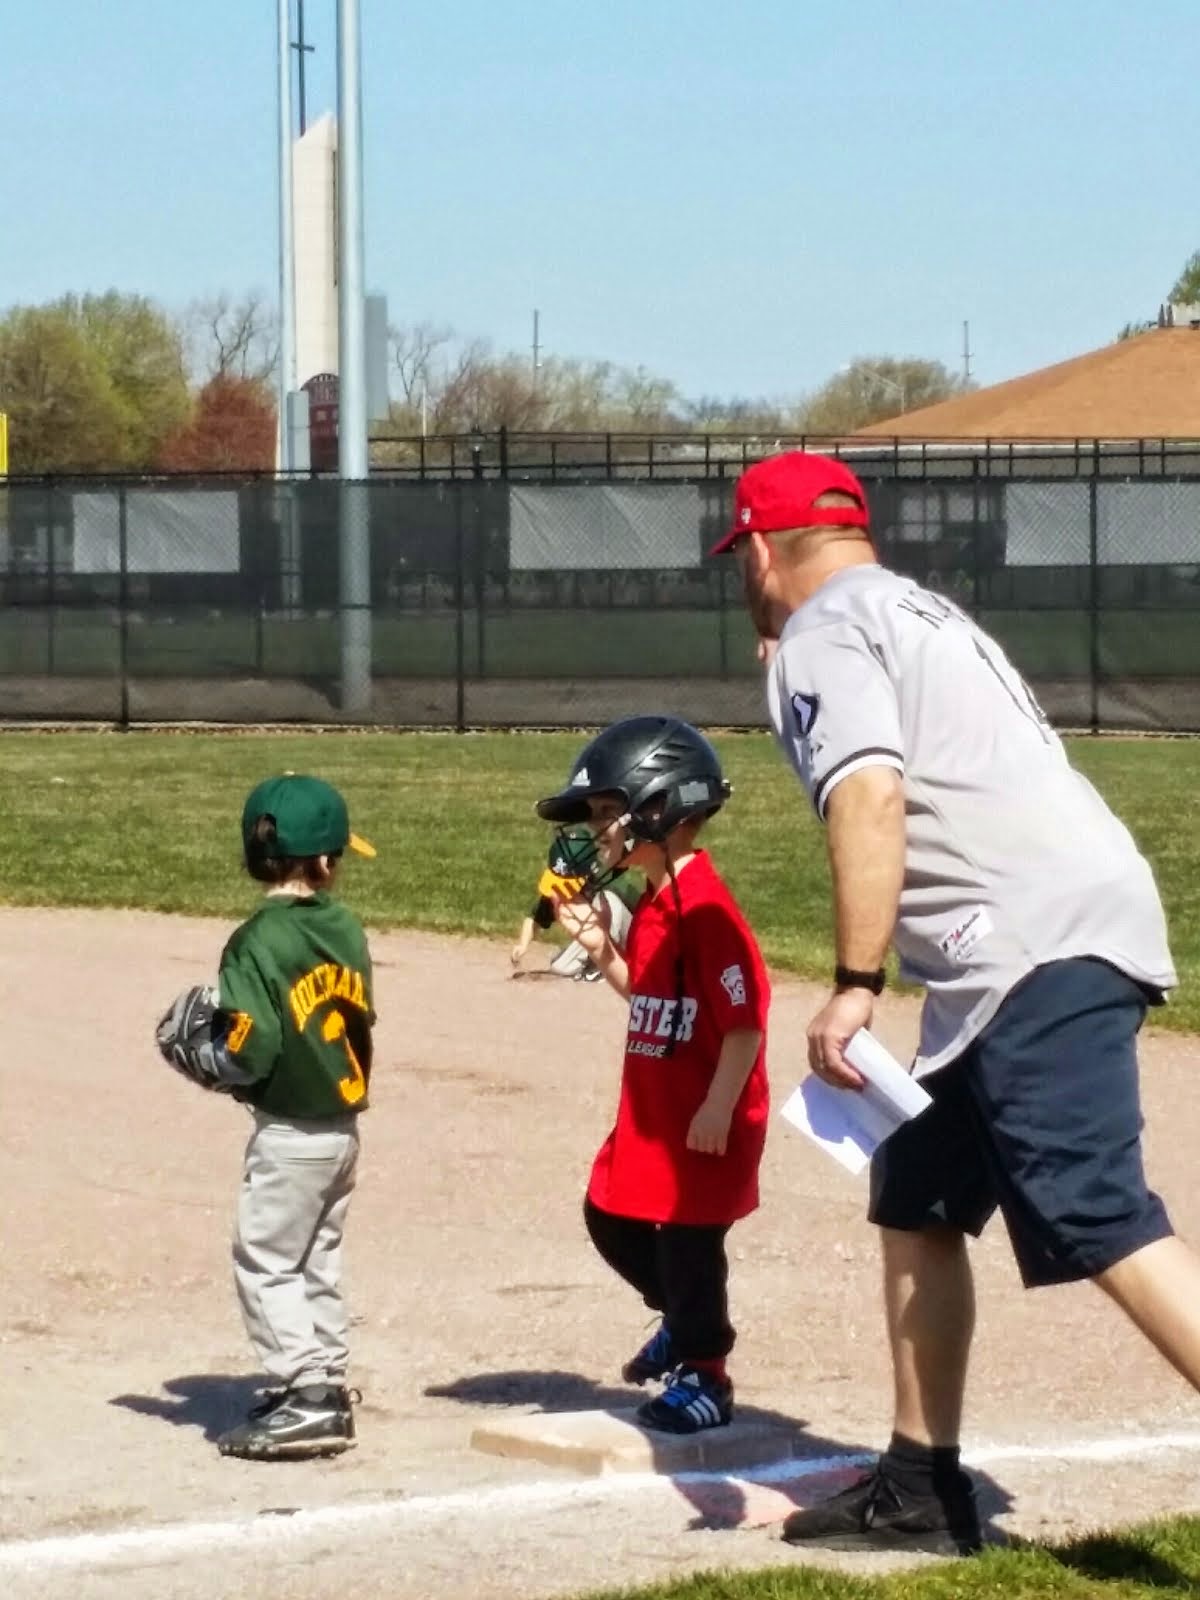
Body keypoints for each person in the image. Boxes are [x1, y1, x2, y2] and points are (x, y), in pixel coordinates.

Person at [714, 447, 1191, 1554]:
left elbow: (871, 796)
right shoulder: (913, 608)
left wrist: (853, 984)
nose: (744, 578)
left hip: (1028, 941)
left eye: (743, 557)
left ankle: (925, 1482)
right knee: (919, 1194)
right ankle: (922, 1483)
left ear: (766, 549)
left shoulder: (827, 628)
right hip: (1025, 941)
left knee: (1098, 1213)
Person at [536, 716, 770, 1434]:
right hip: (655, 1113)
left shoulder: (705, 910)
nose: (598, 830)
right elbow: (650, 993)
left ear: (660, 810)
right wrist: (604, 949)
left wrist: (716, 1108)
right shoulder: (660, 903)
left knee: (688, 1246)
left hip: (701, 1119)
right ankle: (681, 1318)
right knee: (608, 1214)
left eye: (610, 813)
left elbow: (745, 1022)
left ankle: (708, 1375)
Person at [154, 773, 376, 1461]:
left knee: (265, 1259)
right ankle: (325, 1379)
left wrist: (213, 1056)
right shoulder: (345, 927)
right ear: (328, 862)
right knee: (317, 1255)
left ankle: (308, 1395)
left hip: (289, 1135)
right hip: (341, 1129)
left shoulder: (254, 941)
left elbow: (254, 1045)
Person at [510, 828, 635, 981]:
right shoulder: (561, 889)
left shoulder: (610, 882)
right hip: (594, 939)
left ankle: (606, 965)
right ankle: (593, 964)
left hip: (631, 940)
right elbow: (534, 917)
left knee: (608, 900)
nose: (563, 889)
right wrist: (523, 945)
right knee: (560, 967)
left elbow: (644, 911)